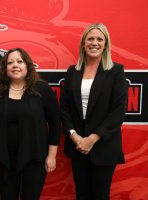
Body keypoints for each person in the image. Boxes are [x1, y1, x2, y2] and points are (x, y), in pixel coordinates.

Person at [60, 23, 128, 200]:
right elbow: (65, 109)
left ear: (105, 44)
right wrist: (75, 137)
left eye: (100, 39)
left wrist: (92, 138)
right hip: (78, 145)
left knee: (101, 194)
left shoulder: (115, 71)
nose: (95, 43)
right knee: (81, 194)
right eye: (90, 39)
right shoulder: (72, 72)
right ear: (83, 43)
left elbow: (118, 111)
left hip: (104, 146)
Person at [0, 48, 61, 200]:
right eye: (10, 62)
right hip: (4, 158)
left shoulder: (42, 90)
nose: (15, 65)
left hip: (34, 157)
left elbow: (55, 124)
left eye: (20, 61)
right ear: (4, 68)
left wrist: (51, 156)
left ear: (27, 65)